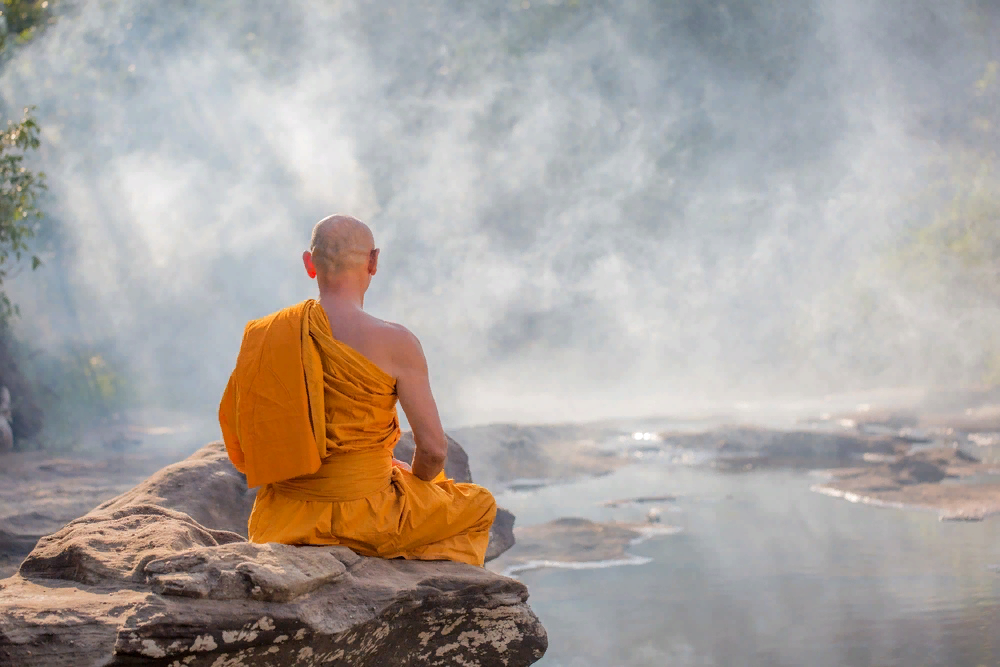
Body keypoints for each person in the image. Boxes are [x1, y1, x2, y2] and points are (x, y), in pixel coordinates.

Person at [218, 214, 496, 566]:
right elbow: (434, 451)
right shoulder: (398, 342)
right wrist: (413, 483)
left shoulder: (265, 334)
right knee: (479, 504)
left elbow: (245, 437)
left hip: (283, 520)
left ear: (309, 264)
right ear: (373, 261)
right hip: (369, 518)